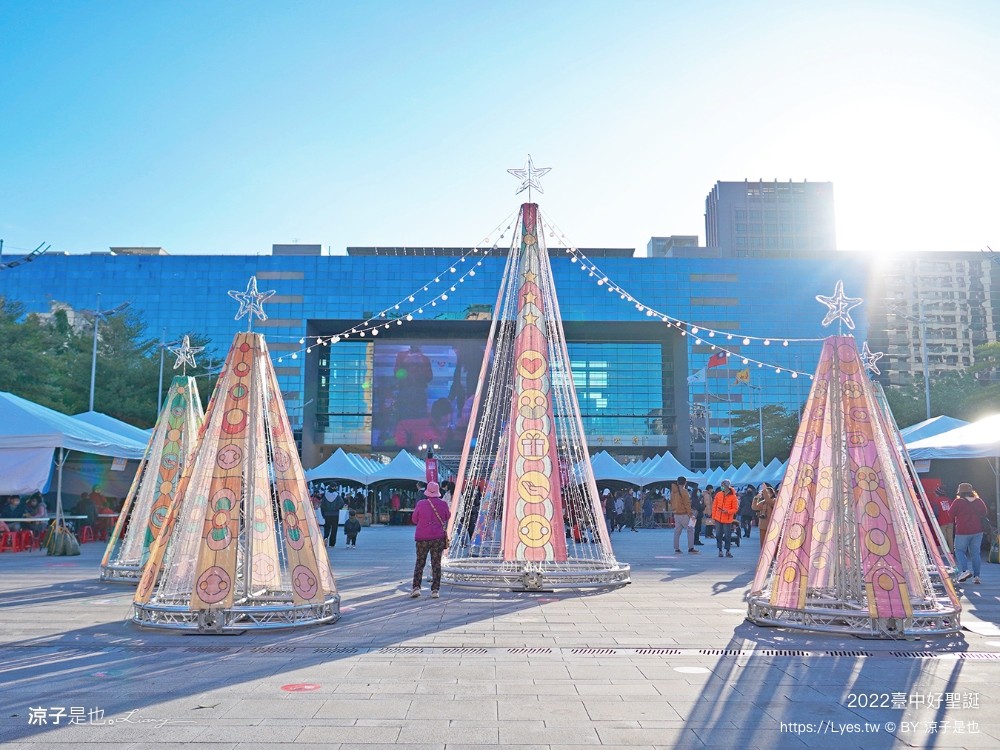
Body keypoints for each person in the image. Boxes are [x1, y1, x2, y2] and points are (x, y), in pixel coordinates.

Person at [410, 481, 451, 598]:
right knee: (436, 564)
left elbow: (414, 519)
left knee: (420, 562)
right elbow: (447, 516)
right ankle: (435, 590)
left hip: (422, 538)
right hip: (437, 538)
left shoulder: (420, 504)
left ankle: (416, 587)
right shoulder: (443, 504)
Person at [951, 482, 991, 585]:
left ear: (960, 492)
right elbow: (985, 512)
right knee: (975, 553)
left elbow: (950, 514)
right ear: (971, 491)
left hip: (962, 531)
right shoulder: (978, 501)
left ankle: (964, 571)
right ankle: (976, 576)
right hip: (977, 531)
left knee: (959, 551)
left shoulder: (958, 502)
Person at [670, 476, 697, 554]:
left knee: (677, 532)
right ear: (685, 483)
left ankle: (676, 548)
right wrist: (690, 514)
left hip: (676, 514)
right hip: (684, 514)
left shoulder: (673, 492)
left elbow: (671, 502)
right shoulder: (684, 491)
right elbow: (687, 504)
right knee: (690, 530)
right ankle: (691, 547)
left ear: (677, 482)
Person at [713, 480, 738, 558]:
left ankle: (728, 550)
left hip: (727, 519)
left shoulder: (733, 496)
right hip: (718, 518)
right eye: (721, 485)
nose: (722, 487)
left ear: (727, 486)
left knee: (727, 535)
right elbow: (714, 506)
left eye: (723, 485)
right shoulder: (718, 494)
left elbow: (735, 508)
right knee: (718, 535)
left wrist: (727, 511)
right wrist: (713, 517)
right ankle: (720, 550)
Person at [929, 487, 955, 553]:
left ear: (938, 493)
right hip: (950, 521)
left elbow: (936, 513)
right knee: (950, 537)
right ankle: (952, 551)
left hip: (942, 521)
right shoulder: (949, 500)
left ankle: (946, 552)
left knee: (944, 538)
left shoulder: (936, 501)